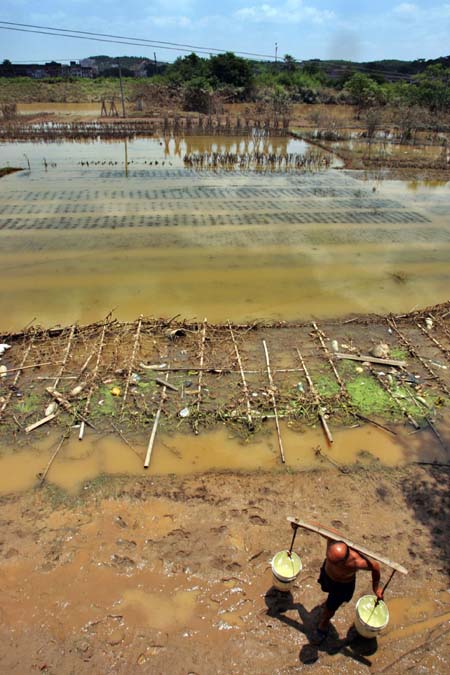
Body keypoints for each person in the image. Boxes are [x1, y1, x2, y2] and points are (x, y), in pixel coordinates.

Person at [315, 538, 383, 640]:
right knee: (325, 588)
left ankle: (324, 623)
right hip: (327, 576)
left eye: (335, 563)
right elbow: (318, 528)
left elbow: (375, 567)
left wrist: (376, 588)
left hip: (342, 586)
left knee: (331, 607)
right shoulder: (332, 539)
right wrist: (297, 523)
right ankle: (327, 606)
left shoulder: (357, 562)